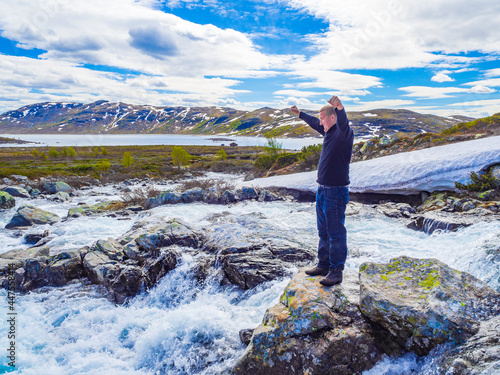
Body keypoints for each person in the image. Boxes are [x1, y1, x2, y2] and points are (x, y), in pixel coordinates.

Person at [290, 96, 354, 286]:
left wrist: (340, 108)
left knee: (336, 232)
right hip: (323, 191)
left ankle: (336, 271)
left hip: (335, 192)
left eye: (322, 118)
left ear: (332, 118)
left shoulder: (343, 134)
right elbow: (313, 122)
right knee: (323, 231)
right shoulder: (328, 133)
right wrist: (300, 114)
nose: (320, 122)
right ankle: (324, 265)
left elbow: (343, 122)